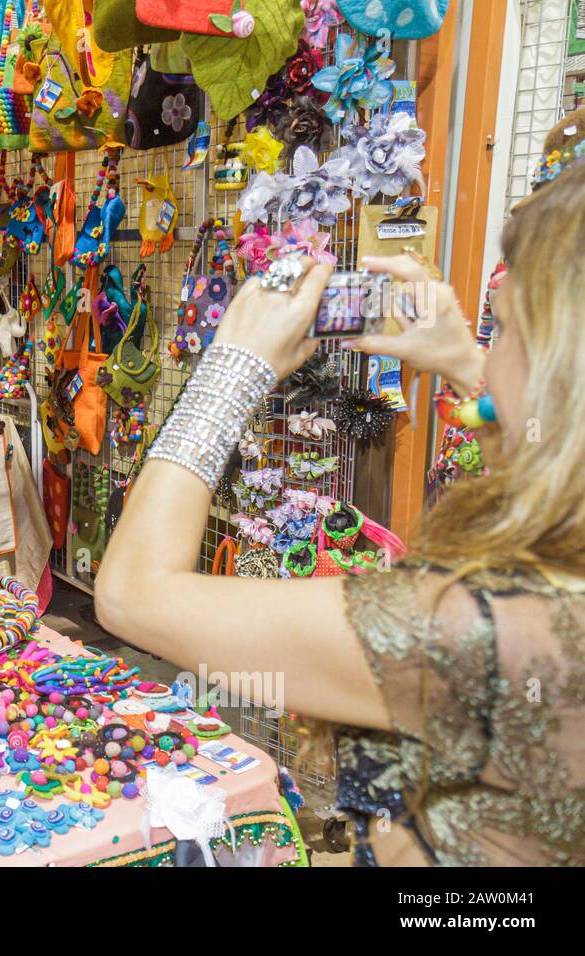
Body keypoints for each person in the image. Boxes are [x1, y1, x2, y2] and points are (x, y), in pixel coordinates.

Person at [94, 160, 585, 867]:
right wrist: (468, 370)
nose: (490, 347)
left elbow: (131, 592)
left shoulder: (477, 636)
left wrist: (230, 369)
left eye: (502, 329)